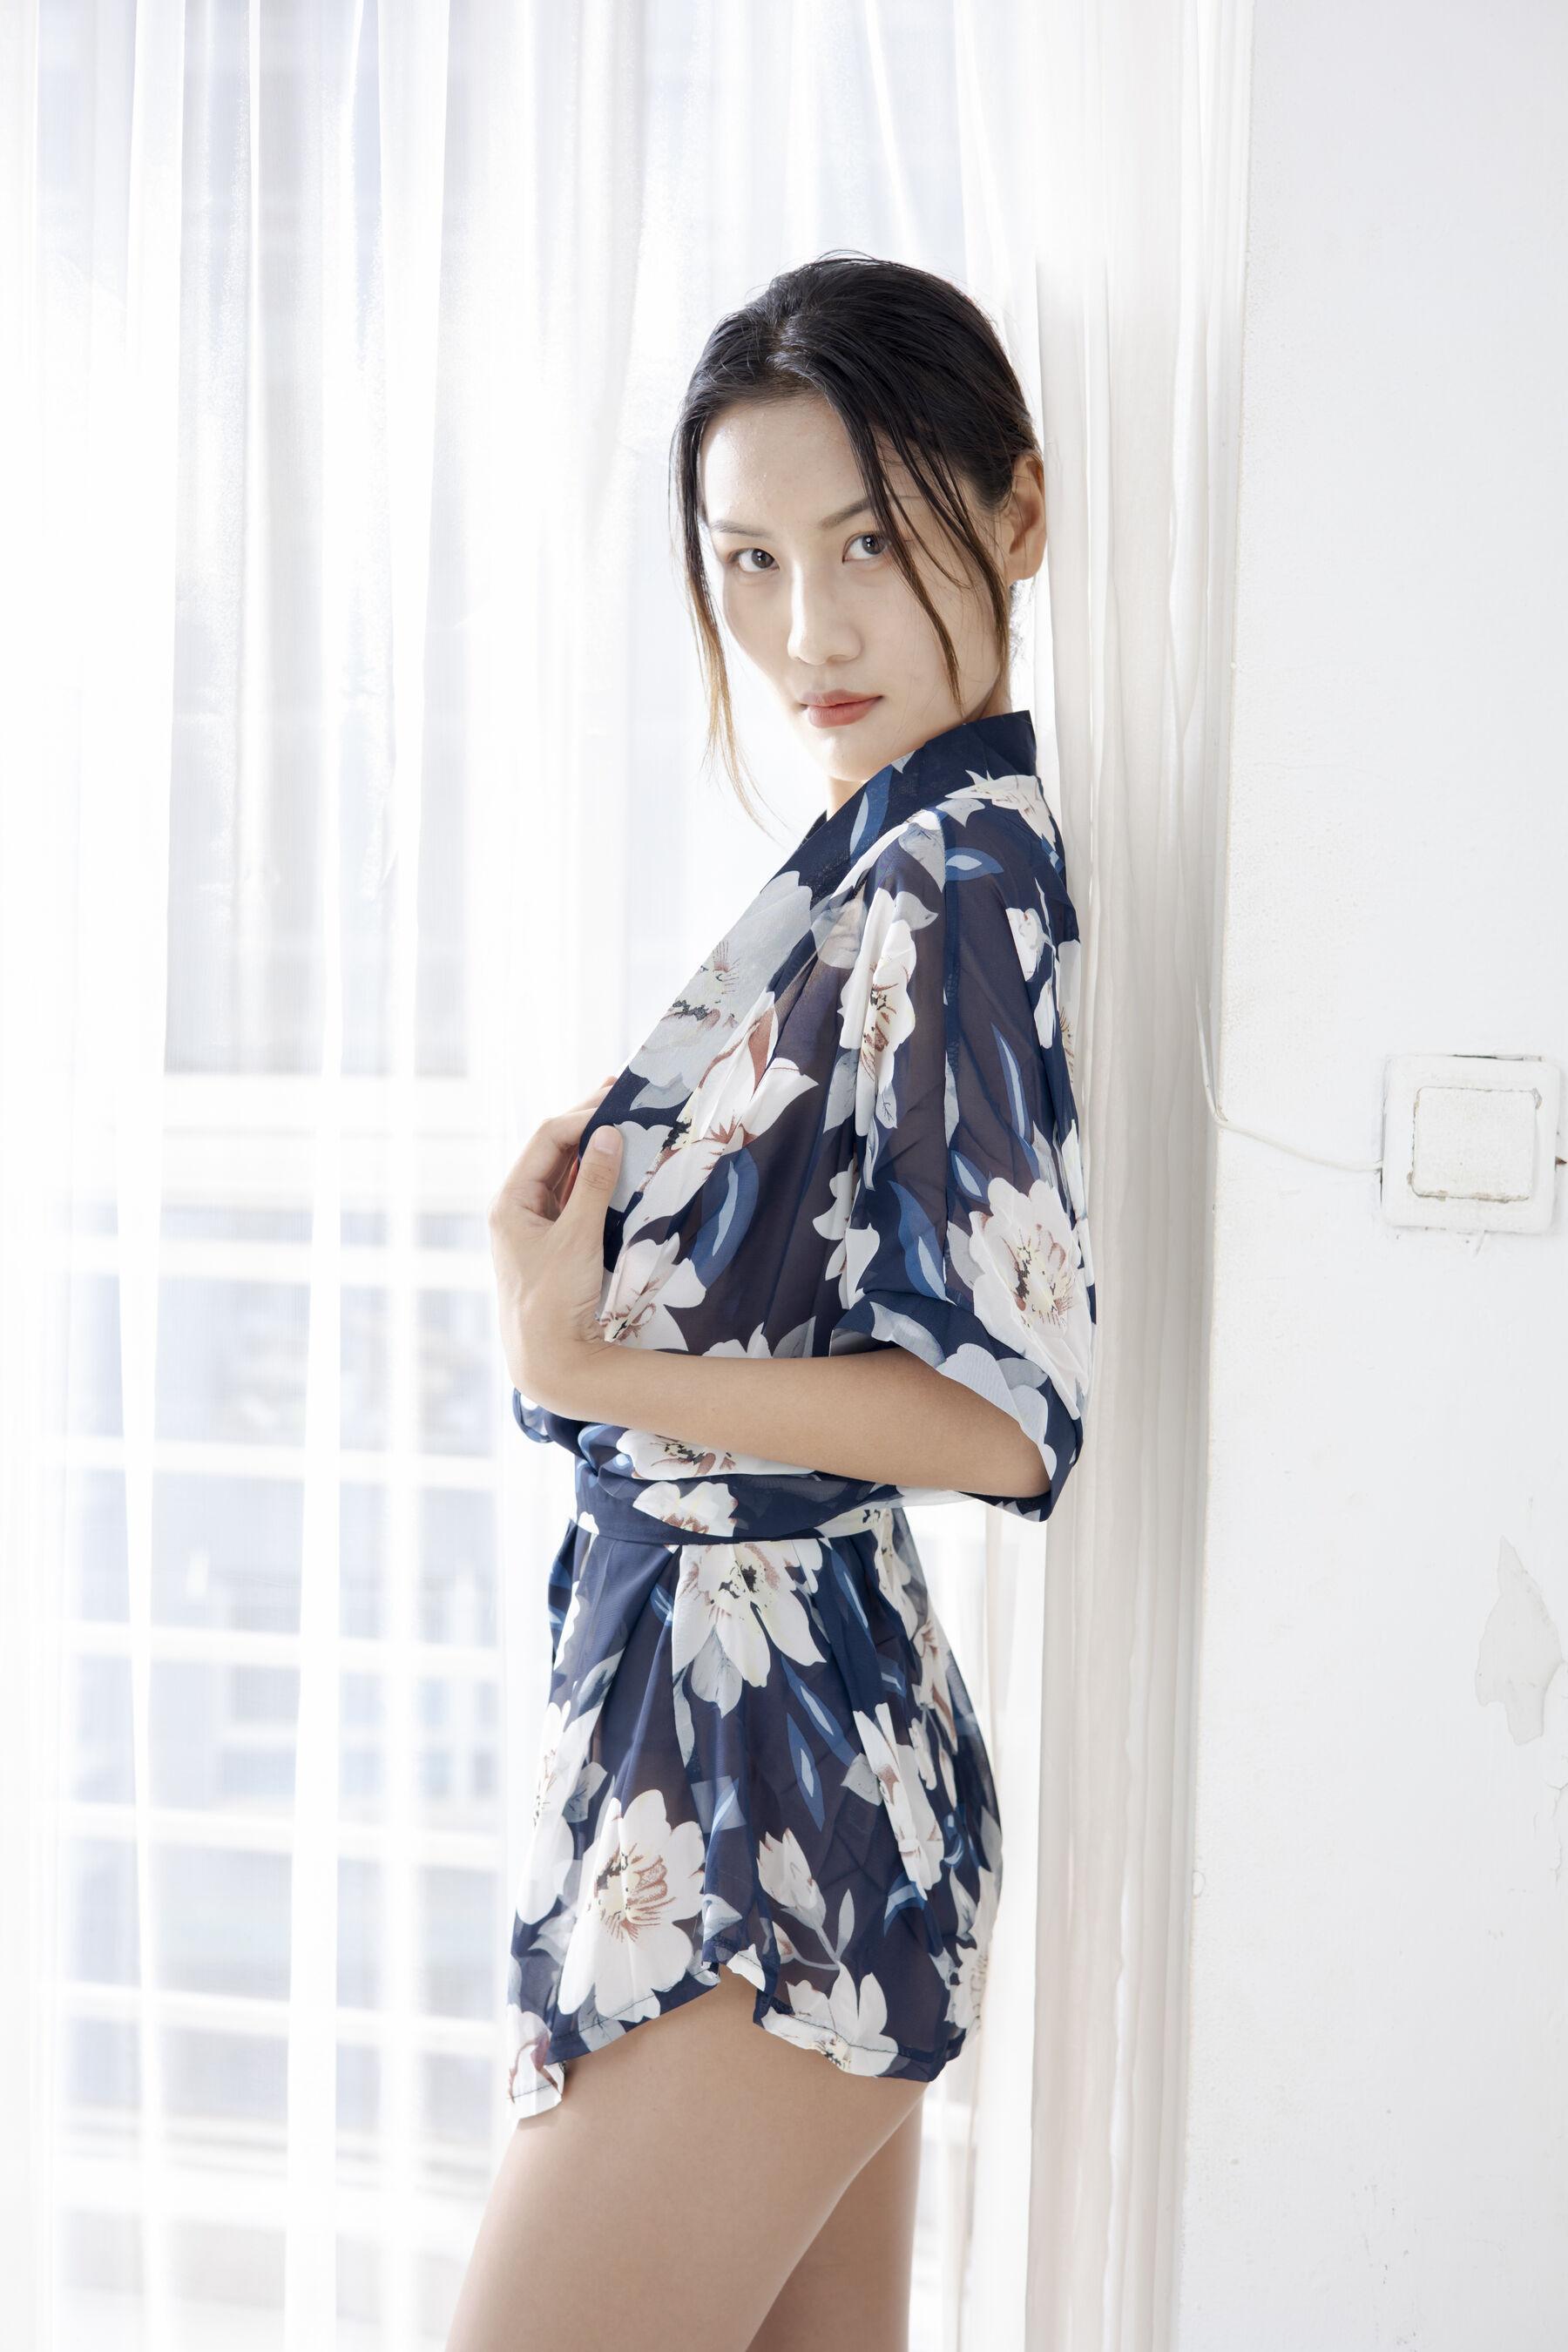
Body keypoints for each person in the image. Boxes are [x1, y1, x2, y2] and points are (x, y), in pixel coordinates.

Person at [448, 253, 1095, 2352]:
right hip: (761, 1757)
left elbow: (1005, 1411)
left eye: (870, 543)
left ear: (1015, 513)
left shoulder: (959, 877)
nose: (807, 628)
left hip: (773, 1796)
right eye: (749, 560)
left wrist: (582, 1354)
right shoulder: (876, 851)